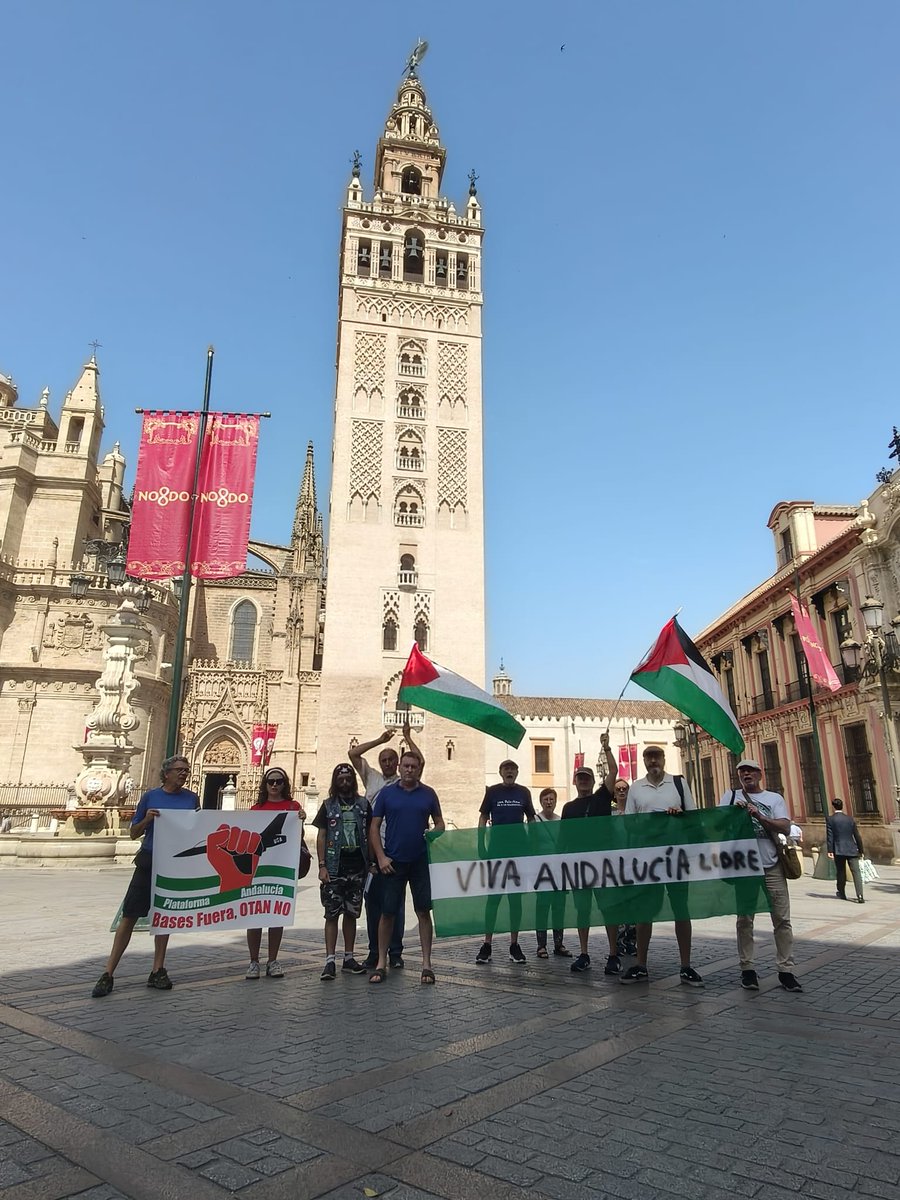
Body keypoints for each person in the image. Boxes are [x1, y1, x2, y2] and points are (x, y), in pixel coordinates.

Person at [91, 756, 199, 997]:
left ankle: (158, 969)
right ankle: (108, 973)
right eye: (179, 770)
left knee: (165, 915)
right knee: (129, 915)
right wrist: (148, 819)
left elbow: (198, 828)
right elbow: (132, 833)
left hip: (174, 863)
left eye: (187, 770)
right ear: (166, 773)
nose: (184, 774)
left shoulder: (192, 799)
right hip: (149, 859)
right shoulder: (150, 796)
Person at [622, 745, 703, 987]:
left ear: (664, 759)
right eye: (649, 757)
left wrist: (679, 815)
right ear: (644, 761)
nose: (653, 761)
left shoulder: (678, 784)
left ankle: (686, 965)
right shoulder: (636, 788)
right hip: (648, 859)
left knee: (681, 909)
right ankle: (641, 964)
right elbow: (628, 824)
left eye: (657, 757)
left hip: (676, 857)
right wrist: (646, 824)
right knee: (644, 913)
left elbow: (694, 818)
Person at [719, 758, 803, 992]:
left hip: (772, 866)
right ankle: (747, 969)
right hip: (744, 868)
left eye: (751, 771)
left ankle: (786, 970)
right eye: (742, 771)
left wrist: (759, 816)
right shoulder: (730, 797)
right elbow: (717, 825)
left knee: (782, 919)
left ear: (760, 774)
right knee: (745, 920)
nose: (746, 774)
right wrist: (730, 815)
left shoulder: (774, 799)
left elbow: (785, 827)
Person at [349, 723, 425, 969]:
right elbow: (353, 754)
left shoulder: (404, 781)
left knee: (395, 904)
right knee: (373, 904)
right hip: (372, 851)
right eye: (384, 759)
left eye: (393, 759)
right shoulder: (371, 776)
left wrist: (407, 737)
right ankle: (374, 951)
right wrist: (380, 741)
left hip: (394, 851)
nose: (388, 763)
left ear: (399, 763)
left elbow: (420, 761)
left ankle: (395, 952)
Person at [369, 750, 445, 984]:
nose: (409, 770)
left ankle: (426, 964)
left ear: (419, 769)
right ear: (399, 768)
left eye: (414, 766)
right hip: (393, 861)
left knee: (423, 912)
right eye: (406, 766)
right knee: (388, 913)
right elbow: (374, 827)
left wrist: (435, 832)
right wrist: (381, 857)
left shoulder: (429, 794)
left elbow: (440, 822)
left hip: (420, 860)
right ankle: (381, 962)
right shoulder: (386, 794)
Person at [560, 733, 621, 976]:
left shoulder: (602, 797)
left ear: (593, 780)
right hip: (578, 867)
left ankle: (613, 954)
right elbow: (562, 840)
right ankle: (584, 953)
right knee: (582, 910)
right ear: (575, 782)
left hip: (603, 864)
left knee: (609, 909)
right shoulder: (569, 808)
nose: (583, 781)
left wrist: (606, 748)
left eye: (587, 778)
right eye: (580, 778)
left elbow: (614, 771)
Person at [245, 768, 306, 980]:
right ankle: (254, 961)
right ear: (265, 784)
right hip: (257, 870)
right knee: (254, 916)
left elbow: (298, 837)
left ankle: (273, 960)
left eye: (279, 781)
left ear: (284, 784)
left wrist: (301, 820)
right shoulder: (255, 809)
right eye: (270, 781)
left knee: (276, 914)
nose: (274, 785)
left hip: (280, 869)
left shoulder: (293, 807)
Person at [312, 763, 372, 979]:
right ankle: (329, 960)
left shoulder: (363, 804)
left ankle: (348, 957)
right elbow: (321, 835)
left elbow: (370, 833)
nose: (345, 782)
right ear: (335, 782)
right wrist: (321, 866)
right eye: (341, 779)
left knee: (351, 914)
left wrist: (372, 862)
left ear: (353, 781)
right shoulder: (328, 805)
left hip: (357, 867)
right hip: (334, 867)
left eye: (348, 779)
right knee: (331, 914)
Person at [474, 760, 536, 964]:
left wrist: (532, 839)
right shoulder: (492, 792)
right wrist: (481, 845)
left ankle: (514, 944)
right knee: (493, 900)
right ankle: (487, 943)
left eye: (513, 769)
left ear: (517, 773)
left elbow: (531, 818)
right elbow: (483, 817)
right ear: (500, 772)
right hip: (496, 852)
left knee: (515, 899)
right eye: (506, 769)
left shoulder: (524, 792)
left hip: (518, 853)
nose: (509, 772)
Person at [533, 788, 571, 958]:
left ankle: (558, 944)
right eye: (546, 799)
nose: (549, 802)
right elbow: (530, 845)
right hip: (542, 871)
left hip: (559, 871)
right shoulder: (535, 821)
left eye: (552, 799)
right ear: (541, 802)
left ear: (556, 802)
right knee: (542, 907)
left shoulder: (561, 821)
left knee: (559, 907)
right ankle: (541, 945)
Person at [612, 779, 637, 959]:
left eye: (624, 788)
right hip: (615, 865)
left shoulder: (635, 813)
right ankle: (619, 943)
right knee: (618, 905)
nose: (622, 791)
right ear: (614, 794)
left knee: (633, 904)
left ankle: (632, 942)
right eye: (618, 789)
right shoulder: (609, 814)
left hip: (634, 865)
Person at [826, 797, 865, 904]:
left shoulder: (831, 819)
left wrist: (830, 850)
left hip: (838, 849)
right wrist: (861, 849)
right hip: (852, 848)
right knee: (856, 872)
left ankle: (841, 892)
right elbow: (857, 835)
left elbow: (830, 836)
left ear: (833, 807)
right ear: (842, 806)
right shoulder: (850, 819)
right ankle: (860, 895)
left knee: (841, 871)